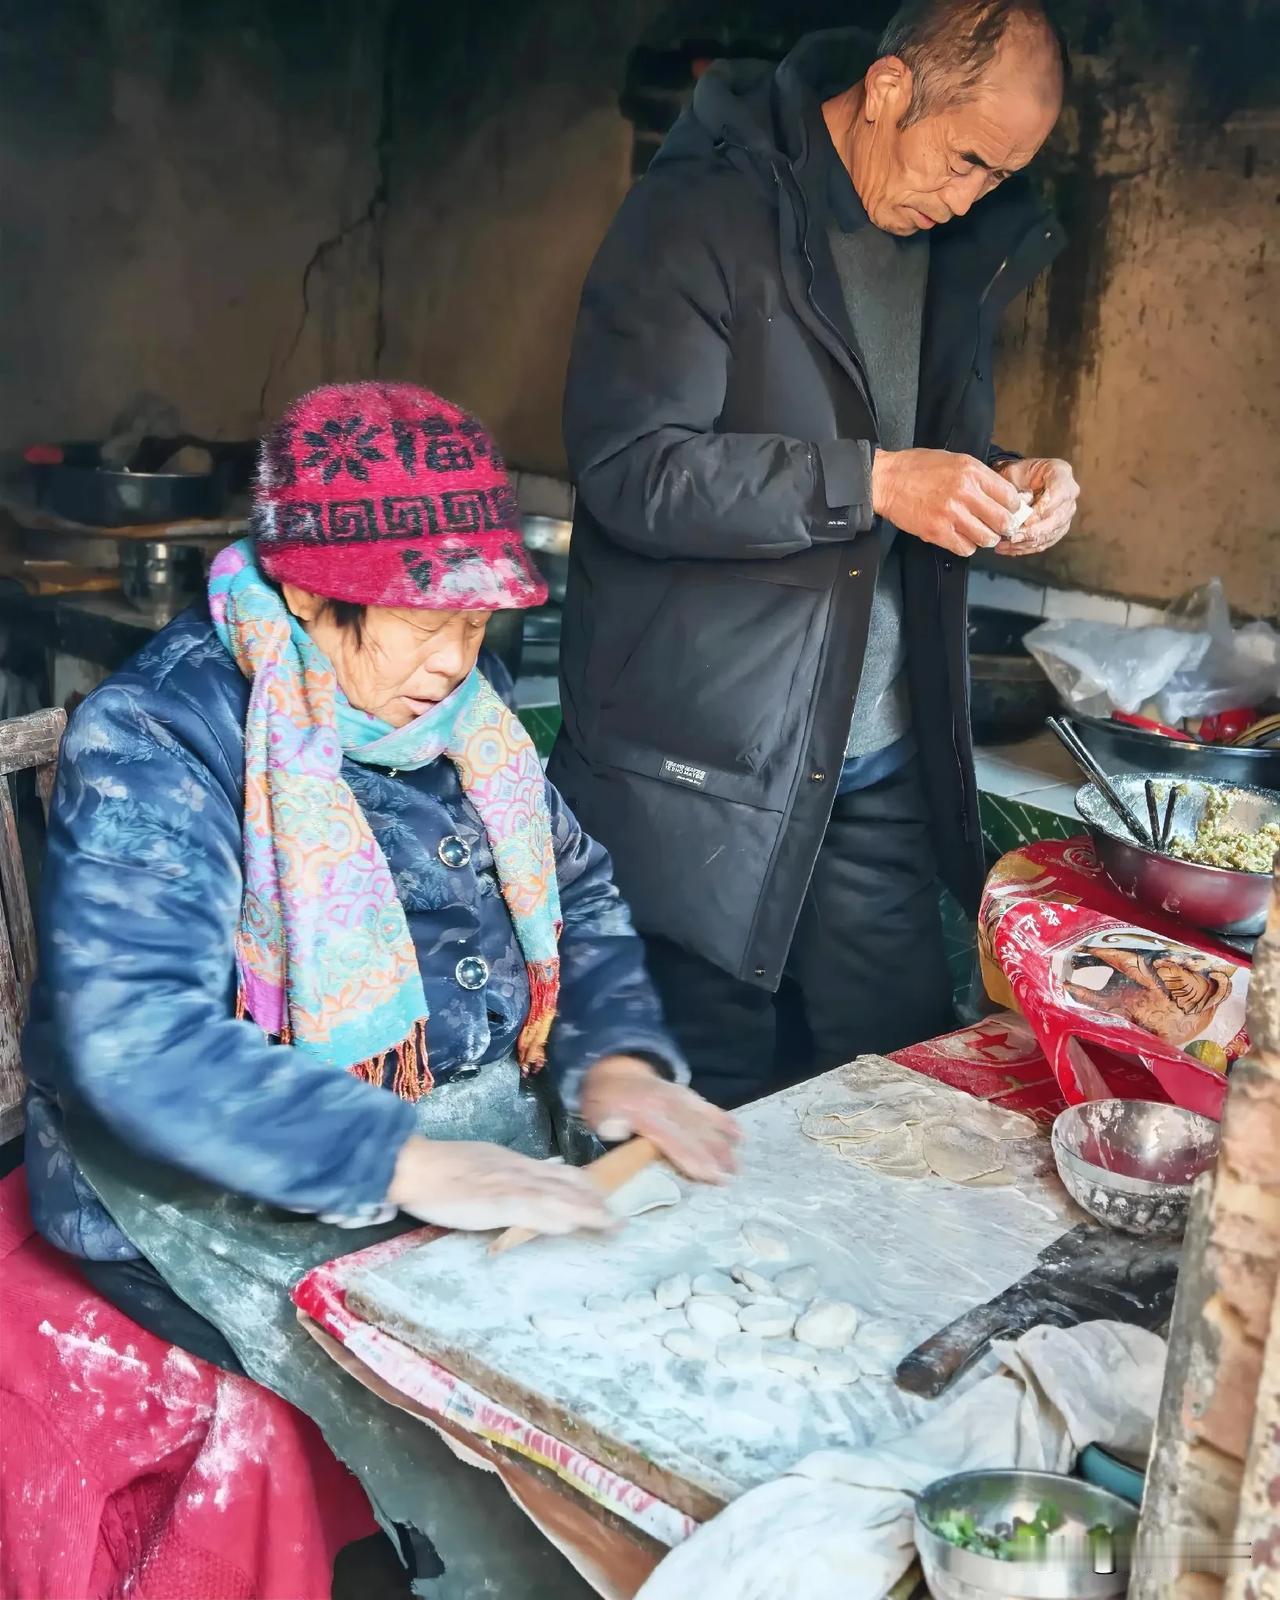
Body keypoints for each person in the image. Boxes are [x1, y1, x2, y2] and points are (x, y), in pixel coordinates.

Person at [22, 381, 735, 1393]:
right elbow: (141, 1041)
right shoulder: (163, 736)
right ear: (308, 595)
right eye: (419, 626)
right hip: (205, 1183)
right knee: (486, 1388)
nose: (454, 668)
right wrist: (395, 1158)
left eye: (473, 626)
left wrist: (612, 1054)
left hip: (451, 1132)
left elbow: (576, 897)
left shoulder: (461, 719)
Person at [550, 0, 1082, 1110]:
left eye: (1000, 175)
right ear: (888, 90)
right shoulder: (699, 214)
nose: (971, 195)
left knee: (891, 1104)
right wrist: (877, 484)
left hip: (873, 752)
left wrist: (998, 480)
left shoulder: (939, 241)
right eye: (967, 159)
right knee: (697, 1120)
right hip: (708, 774)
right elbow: (632, 470)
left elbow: (885, 430)